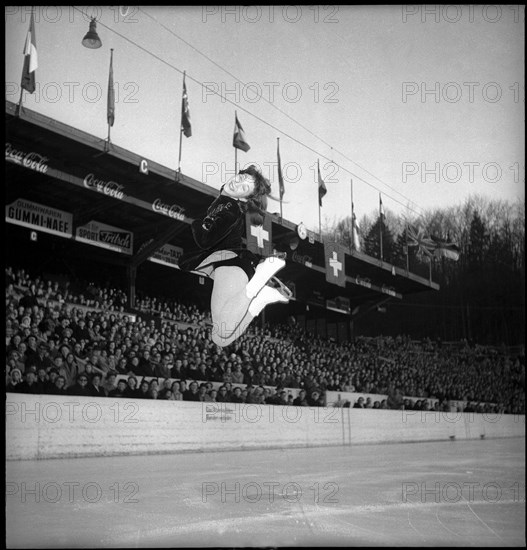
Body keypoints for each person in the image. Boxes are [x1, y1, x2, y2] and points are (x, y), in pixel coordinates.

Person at [178, 166, 291, 347]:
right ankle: (259, 301)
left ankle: (259, 281)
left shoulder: (230, 209)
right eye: (242, 177)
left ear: (243, 197)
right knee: (219, 338)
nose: (238, 183)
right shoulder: (224, 202)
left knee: (222, 331)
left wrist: (197, 224)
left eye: (244, 187)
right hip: (233, 265)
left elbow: (205, 241)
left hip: (229, 264)